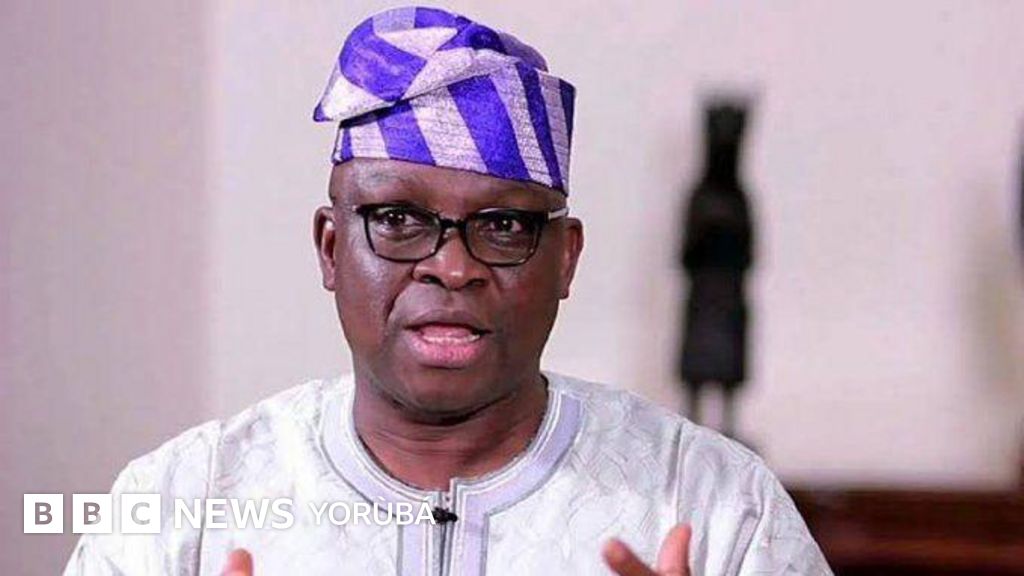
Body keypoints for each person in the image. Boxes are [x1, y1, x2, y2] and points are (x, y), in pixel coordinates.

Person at [64, 6, 831, 575]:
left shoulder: (714, 506)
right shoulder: (181, 506)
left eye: (503, 227)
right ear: (331, 248)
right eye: (398, 219)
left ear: (565, 259)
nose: (453, 267)